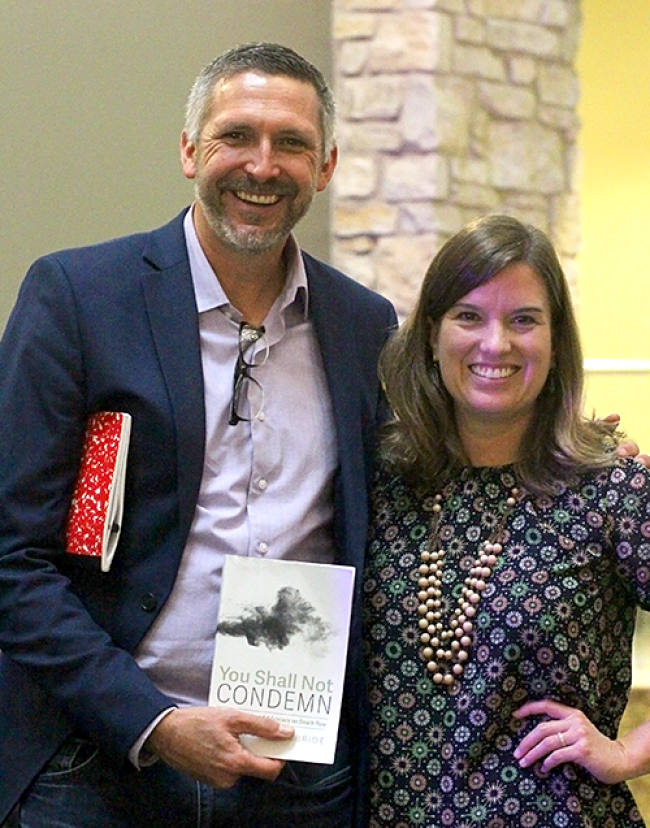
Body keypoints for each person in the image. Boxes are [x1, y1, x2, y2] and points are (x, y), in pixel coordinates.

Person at [0, 43, 398, 828]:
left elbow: (421, 488)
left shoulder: (363, 325)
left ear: (326, 167)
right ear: (189, 150)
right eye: (235, 136)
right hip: (99, 759)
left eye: (292, 143)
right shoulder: (78, 299)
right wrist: (154, 722)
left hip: (295, 770)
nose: (263, 164)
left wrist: (572, 462)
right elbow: (12, 555)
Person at [363, 214, 650, 827]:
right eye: (469, 316)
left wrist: (628, 752)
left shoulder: (613, 489)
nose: (497, 344)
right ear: (432, 334)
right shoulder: (381, 480)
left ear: (555, 340)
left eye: (524, 319)